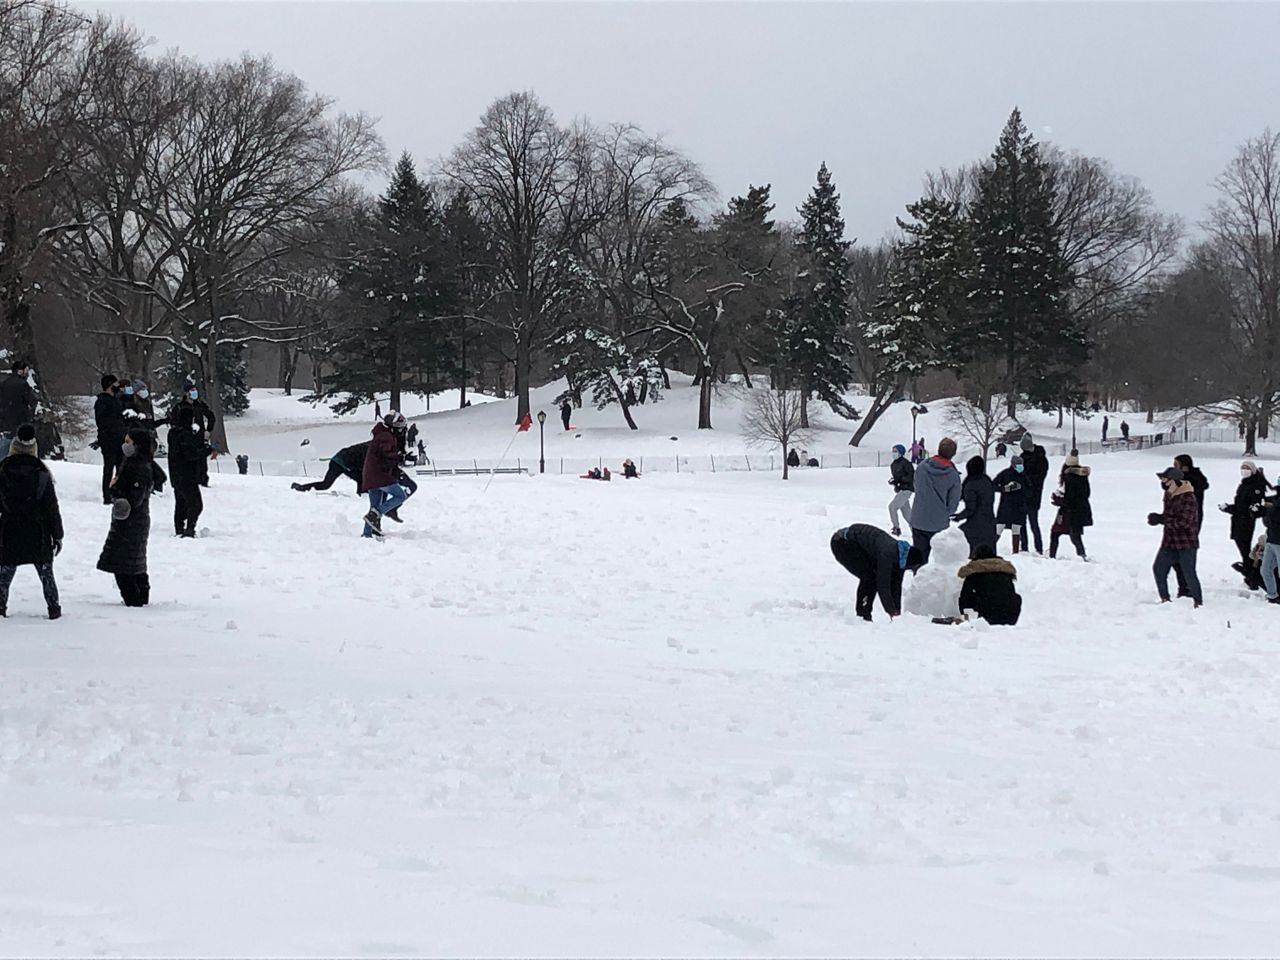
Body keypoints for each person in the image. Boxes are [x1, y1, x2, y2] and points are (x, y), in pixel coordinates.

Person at [97, 427, 167, 607]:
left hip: (131, 521)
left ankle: (134, 600)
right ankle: (141, 596)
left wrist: (115, 488)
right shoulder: (134, 463)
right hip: (135, 520)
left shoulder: (138, 467)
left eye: (128, 442)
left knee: (123, 564)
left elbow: (134, 498)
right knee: (134, 561)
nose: (124, 445)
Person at [0, 424, 63, 619]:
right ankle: (53, 609)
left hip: (9, 530)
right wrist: (58, 535)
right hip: (38, 531)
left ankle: (0, 608)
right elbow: (52, 507)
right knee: (46, 574)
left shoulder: (2, 471)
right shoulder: (42, 473)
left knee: (4, 574)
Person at [829, 523, 924, 622]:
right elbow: (883, 584)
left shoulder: (901, 556)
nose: (911, 570)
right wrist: (891, 610)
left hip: (859, 544)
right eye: (912, 568)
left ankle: (865, 614)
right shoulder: (888, 554)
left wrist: (897, 611)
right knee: (869, 578)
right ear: (909, 562)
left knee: (872, 576)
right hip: (841, 542)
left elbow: (896, 584)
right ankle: (863, 615)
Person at [1149, 466, 1203, 608]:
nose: (1164, 483)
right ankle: (1165, 599)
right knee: (1158, 569)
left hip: (1186, 543)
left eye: (1166, 480)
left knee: (1189, 573)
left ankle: (1198, 602)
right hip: (1169, 542)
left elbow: (1184, 522)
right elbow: (1169, 516)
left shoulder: (1189, 497)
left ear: (1175, 481)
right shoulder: (1168, 494)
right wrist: (1159, 518)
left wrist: (1162, 520)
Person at [908, 437, 962, 564]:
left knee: (919, 559)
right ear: (953, 454)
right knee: (940, 561)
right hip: (939, 523)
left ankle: (919, 581)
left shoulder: (922, 467)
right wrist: (944, 512)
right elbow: (953, 504)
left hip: (918, 518)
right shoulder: (953, 475)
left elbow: (916, 486)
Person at [1221, 461, 1269, 589]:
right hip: (1238, 520)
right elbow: (1240, 505)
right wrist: (1229, 508)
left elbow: (1252, 507)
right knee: (1243, 548)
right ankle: (1250, 576)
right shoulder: (1244, 484)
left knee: (1245, 550)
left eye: (1247, 468)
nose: (1244, 470)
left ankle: (1252, 577)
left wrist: (1237, 509)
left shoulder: (1255, 486)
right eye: (1242, 468)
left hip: (1245, 522)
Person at [167, 403, 212, 538]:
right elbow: (191, 454)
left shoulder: (173, 433)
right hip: (187, 475)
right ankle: (189, 529)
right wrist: (207, 450)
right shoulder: (185, 435)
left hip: (175, 474)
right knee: (195, 504)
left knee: (180, 503)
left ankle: (179, 528)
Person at [361, 413, 409, 538]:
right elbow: (386, 456)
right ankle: (374, 516)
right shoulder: (386, 437)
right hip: (379, 475)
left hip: (371, 474)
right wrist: (402, 457)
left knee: (375, 505)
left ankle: (368, 533)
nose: (401, 429)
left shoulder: (382, 433)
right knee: (400, 496)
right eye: (400, 426)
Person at [1172, 454, 1210, 598]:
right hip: (1179, 520)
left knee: (1185, 555)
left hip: (1190, 521)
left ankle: (1187, 587)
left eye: (1177, 465)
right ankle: (1184, 586)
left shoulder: (1193, 480)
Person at [957, 545, 1021, 626]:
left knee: (969, 597)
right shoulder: (1005, 572)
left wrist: (964, 619)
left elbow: (965, 597)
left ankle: (968, 621)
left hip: (985, 617)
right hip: (1009, 617)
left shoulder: (973, 573)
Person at [952, 455, 996, 559]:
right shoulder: (987, 480)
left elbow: (971, 509)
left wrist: (958, 517)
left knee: (961, 544)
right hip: (990, 524)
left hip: (976, 526)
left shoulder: (971, 485)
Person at [1050, 454, 1092, 560]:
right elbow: (1086, 494)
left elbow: (1070, 498)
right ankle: (1082, 555)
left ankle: (1052, 556)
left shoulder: (1069, 477)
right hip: (1081, 510)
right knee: (1075, 535)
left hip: (1069, 512)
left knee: (1055, 533)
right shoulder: (1083, 476)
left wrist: (1058, 500)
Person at [94, 375, 126, 505]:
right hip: (108, 439)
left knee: (121, 466)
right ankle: (107, 495)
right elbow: (101, 421)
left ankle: (117, 491)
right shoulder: (102, 401)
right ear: (109, 384)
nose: (118, 386)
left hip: (120, 437)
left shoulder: (116, 400)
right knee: (109, 467)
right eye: (116, 383)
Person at [292, 441, 369, 493]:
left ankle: (361, 494)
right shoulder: (371, 449)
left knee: (361, 479)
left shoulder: (372, 447)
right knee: (325, 485)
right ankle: (300, 488)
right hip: (338, 462)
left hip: (345, 463)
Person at [0, 359, 38, 456]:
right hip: (20, 422)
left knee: (4, 447)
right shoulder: (23, 385)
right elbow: (32, 401)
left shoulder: (4, 384)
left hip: (4, 422)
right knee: (21, 450)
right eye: (26, 371)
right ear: (20, 371)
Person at [1019, 433, 1049, 554]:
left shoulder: (1040, 457)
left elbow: (1040, 476)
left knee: (1033, 523)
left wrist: (1027, 479)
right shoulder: (1023, 456)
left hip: (1034, 494)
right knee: (1022, 523)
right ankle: (1025, 547)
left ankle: (1038, 548)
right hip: (1023, 495)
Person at [992, 455, 1029, 554]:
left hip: (1019, 507)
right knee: (999, 528)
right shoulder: (1005, 474)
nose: (1021, 466)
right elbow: (993, 485)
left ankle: (1016, 552)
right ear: (1013, 465)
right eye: (1018, 464)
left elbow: (1030, 491)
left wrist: (1021, 488)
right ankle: (990, 548)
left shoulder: (1024, 476)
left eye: (1022, 464)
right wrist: (1004, 489)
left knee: (1016, 529)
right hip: (1006, 507)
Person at [1256, 490, 1280, 605]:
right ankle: (1272, 595)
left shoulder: (1274, 504)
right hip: (1271, 539)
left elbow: (1275, 517)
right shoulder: (1273, 499)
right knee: (1265, 570)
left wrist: (1269, 510)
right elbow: (1267, 521)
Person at [887, 444, 914, 536]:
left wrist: (900, 480)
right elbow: (896, 477)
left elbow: (911, 477)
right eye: (893, 451)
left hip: (906, 489)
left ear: (900, 453)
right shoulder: (893, 465)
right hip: (900, 490)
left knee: (892, 507)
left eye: (896, 451)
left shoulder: (906, 463)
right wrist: (894, 482)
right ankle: (915, 529)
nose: (893, 453)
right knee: (907, 513)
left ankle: (896, 528)